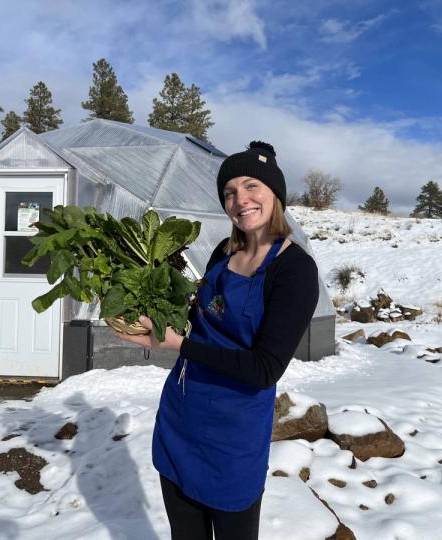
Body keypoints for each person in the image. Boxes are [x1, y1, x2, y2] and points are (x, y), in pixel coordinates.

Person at [116, 141, 320, 540]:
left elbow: (265, 369)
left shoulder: (294, 269)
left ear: (275, 194)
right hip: (181, 418)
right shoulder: (222, 253)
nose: (239, 199)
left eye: (251, 187)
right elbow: (195, 320)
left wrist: (179, 346)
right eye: (229, 192)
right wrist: (148, 310)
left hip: (234, 436)